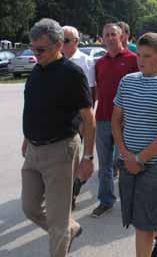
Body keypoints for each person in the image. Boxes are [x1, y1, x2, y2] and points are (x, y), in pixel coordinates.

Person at [22, 18, 96, 257]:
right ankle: (69, 228)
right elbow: (32, 107)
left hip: (60, 150)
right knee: (30, 208)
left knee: (57, 219)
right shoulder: (37, 71)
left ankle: (62, 232)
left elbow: (89, 118)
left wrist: (88, 157)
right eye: (33, 48)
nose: (35, 53)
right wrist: (27, 137)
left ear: (57, 45)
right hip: (34, 150)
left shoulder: (72, 74)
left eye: (40, 49)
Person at [112, 32, 157, 257]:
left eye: (147, 56)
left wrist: (140, 158)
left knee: (144, 225)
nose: (141, 60)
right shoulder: (127, 82)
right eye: (139, 55)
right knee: (139, 219)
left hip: (156, 166)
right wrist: (125, 154)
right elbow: (116, 120)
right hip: (129, 162)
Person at [92, 23, 139, 218]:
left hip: (125, 120)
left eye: (113, 34)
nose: (110, 38)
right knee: (104, 164)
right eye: (106, 35)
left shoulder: (133, 60)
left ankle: (131, 200)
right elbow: (97, 90)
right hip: (102, 118)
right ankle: (106, 200)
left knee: (126, 161)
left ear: (121, 37)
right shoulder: (99, 63)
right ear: (102, 39)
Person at [62, 25, 96, 210]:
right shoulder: (53, 59)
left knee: (75, 157)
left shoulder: (86, 62)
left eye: (65, 40)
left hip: (79, 116)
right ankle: (66, 191)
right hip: (58, 117)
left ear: (75, 42)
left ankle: (72, 192)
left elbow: (91, 93)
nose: (61, 43)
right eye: (59, 39)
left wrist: (86, 120)